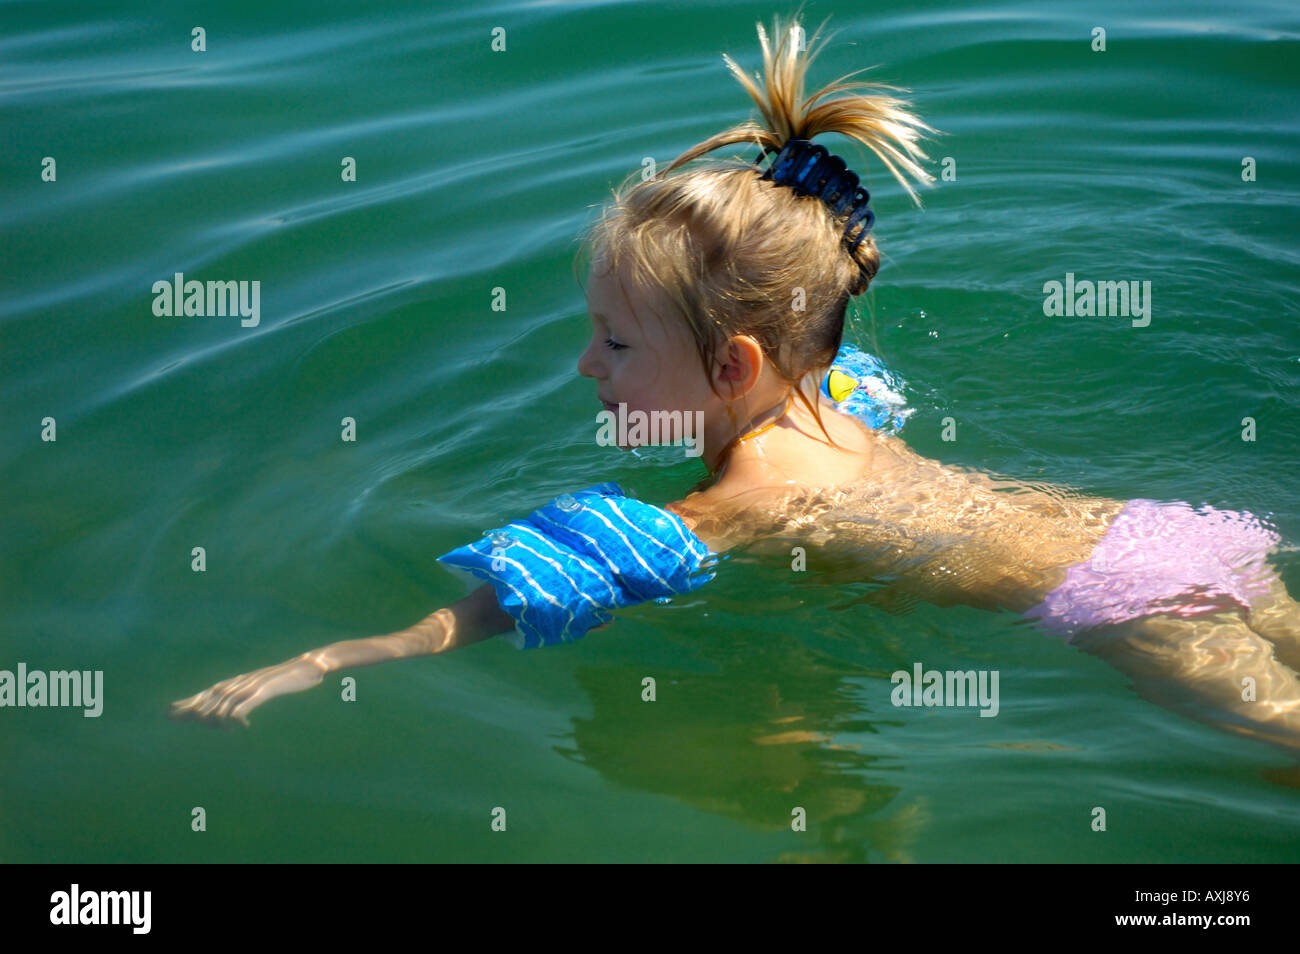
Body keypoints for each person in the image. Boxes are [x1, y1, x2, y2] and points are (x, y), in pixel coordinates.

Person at [170, 13, 1300, 751]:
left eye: (614, 343)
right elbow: (839, 358)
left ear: (734, 366)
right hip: (1170, 536)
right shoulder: (846, 402)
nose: (583, 367)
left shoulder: (744, 500)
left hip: (1119, 605)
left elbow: (522, 596)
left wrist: (332, 658)